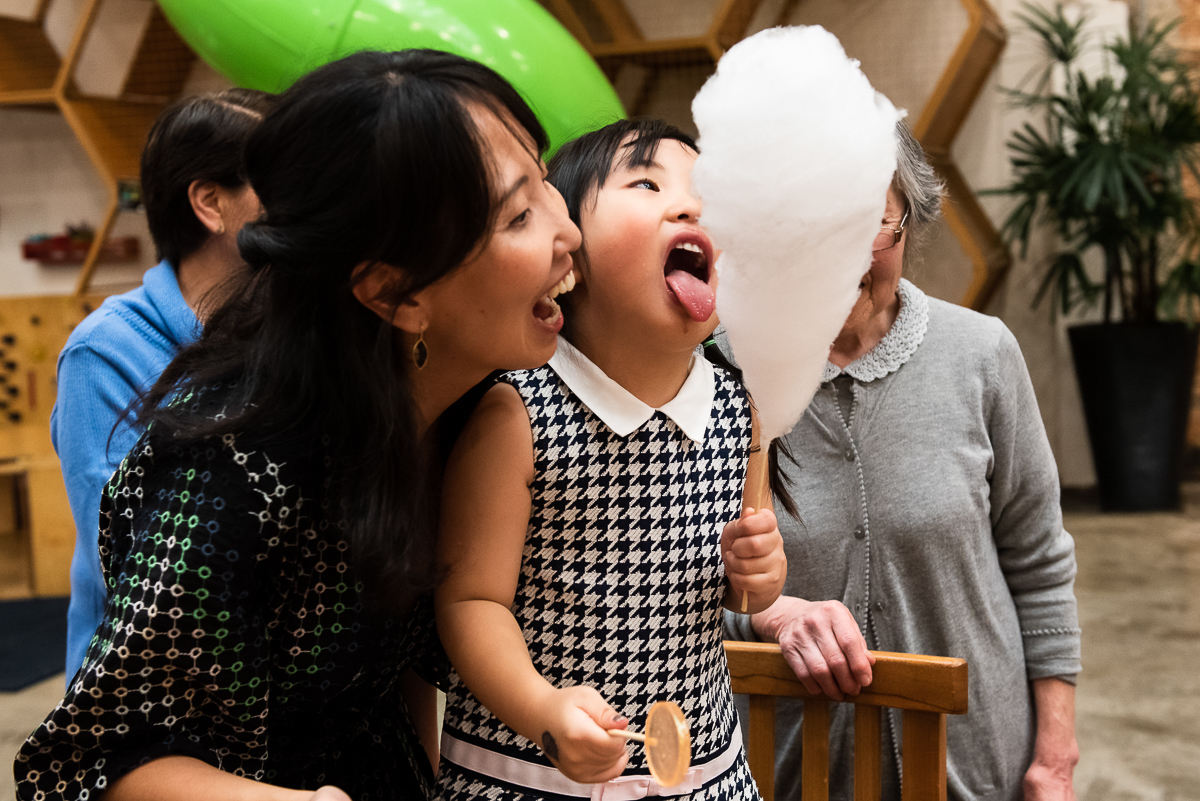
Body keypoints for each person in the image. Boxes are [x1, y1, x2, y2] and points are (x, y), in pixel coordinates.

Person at [16, 49, 581, 801]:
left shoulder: (468, 408)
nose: (566, 230)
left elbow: (396, 672)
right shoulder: (229, 470)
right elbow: (98, 760)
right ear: (393, 293)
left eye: (545, 184)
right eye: (518, 214)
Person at [723, 120, 1081, 801]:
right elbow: (675, 587)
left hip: (976, 759)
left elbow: (1039, 562)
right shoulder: (717, 373)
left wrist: (1054, 756)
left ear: (908, 221)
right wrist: (773, 614)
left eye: (870, 225)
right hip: (788, 766)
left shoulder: (982, 354)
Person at [434, 118, 788, 801]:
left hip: (703, 775)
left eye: (706, 191)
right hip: (532, 775)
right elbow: (471, 599)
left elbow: (741, 592)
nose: (689, 205)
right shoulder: (519, 410)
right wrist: (543, 710)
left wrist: (762, 574)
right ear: (568, 252)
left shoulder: (742, 406)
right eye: (647, 183)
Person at [54, 87, 274, 683]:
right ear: (210, 202)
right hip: (146, 694)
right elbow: (127, 557)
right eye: (282, 180)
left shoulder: (298, 334)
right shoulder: (105, 352)